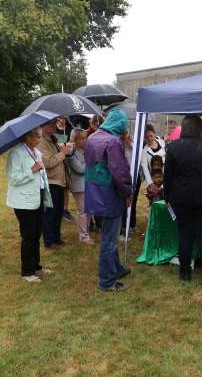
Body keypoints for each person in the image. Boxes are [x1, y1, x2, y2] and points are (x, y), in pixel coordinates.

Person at [164, 115, 202, 284]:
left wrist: (166, 195)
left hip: (181, 198)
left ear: (183, 128)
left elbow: (167, 175)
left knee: (185, 235)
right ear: (199, 129)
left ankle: (185, 272)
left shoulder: (173, 147)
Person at [85, 108, 133, 292]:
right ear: (120, 125)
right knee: (109, 240)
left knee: (108, 235)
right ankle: (107, 281)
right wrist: (127, 193)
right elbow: (119, 173)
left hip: (94, 193)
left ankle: (116, 269)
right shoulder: (113, 142)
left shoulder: (92, 137)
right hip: (110, 195)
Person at [6, 127, 54, 282]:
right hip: (23, 201)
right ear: (28, 137)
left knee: (36, 234)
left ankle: (36, 266)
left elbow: (41, 176)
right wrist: (32, 170)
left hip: (37, 197)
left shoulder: (36, 152)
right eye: (38, 137)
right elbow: (13, 178)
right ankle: (27, 272)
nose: (40, 140)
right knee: (28, 236)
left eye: (40, 137)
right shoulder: (17, 153)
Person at [38, 118, 74, 248]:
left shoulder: (54, 138)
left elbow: (62, 154)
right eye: (51, 123)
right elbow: (47, 163)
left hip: (60, 179)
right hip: (51, 181)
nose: (55, 125)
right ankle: (49, 240)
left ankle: (57, 238)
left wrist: (66, 149)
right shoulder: (41, 141)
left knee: (58, 212)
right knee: (50, 213)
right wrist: (62, 153)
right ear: (44, 126)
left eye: (54, 123)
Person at [66, 128, 93, 245]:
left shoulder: (85, 150)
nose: (84, 140)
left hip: (89, 183)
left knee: (89, 210)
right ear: (74, 140)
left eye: (85, 137)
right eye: (81, 138)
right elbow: (81, 169)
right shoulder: (71, 153)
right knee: (82, 211)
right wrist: (89, 161)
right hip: (79, 186)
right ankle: (83, 236)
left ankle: (86, 232)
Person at [141, 124, 166, 200]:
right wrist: (151, 183)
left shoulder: (162, 143)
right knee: (155, 203)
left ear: (154, 134)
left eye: (151, 135)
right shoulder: (144, 151)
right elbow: (144, 167)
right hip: (154, 182)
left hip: (165, 178)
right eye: (146, 137)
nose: (149, 138)